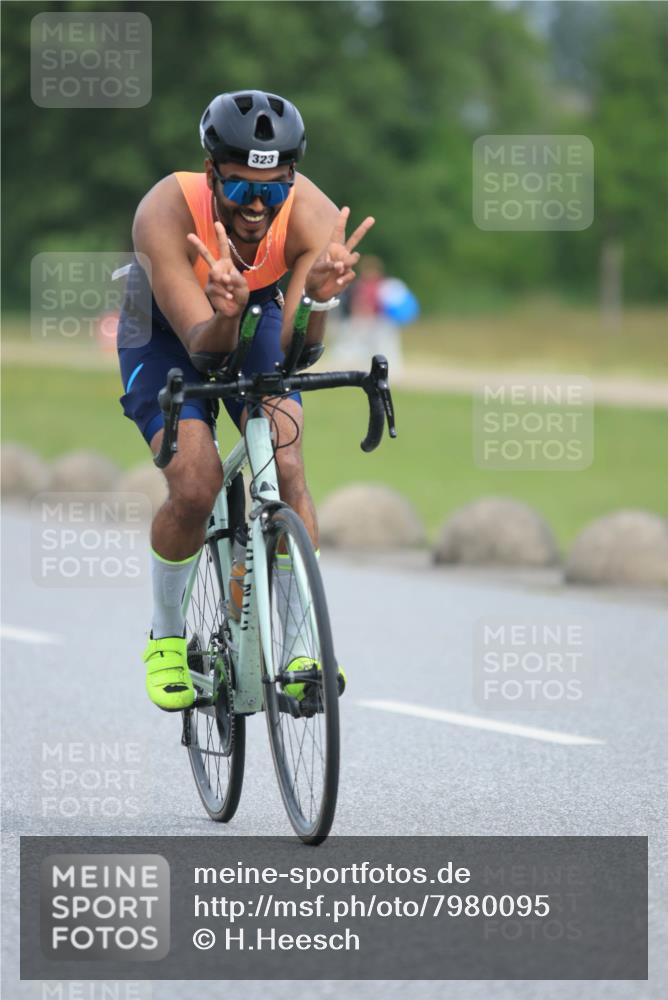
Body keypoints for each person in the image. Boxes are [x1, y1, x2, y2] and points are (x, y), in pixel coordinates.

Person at [116, 90, 374, 711]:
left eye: (274, 189)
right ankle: (167, 636)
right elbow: (204, 351)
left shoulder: (310, 216)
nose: (257, 205)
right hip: (166, 330)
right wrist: (225, 311)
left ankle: (303, 647)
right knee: (196, 481)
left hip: (250, 311)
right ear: (212, 176)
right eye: (238, 189)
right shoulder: (165, 211)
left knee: (287, 464)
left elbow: (292, 357)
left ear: (291, 178)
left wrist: (314, 301)